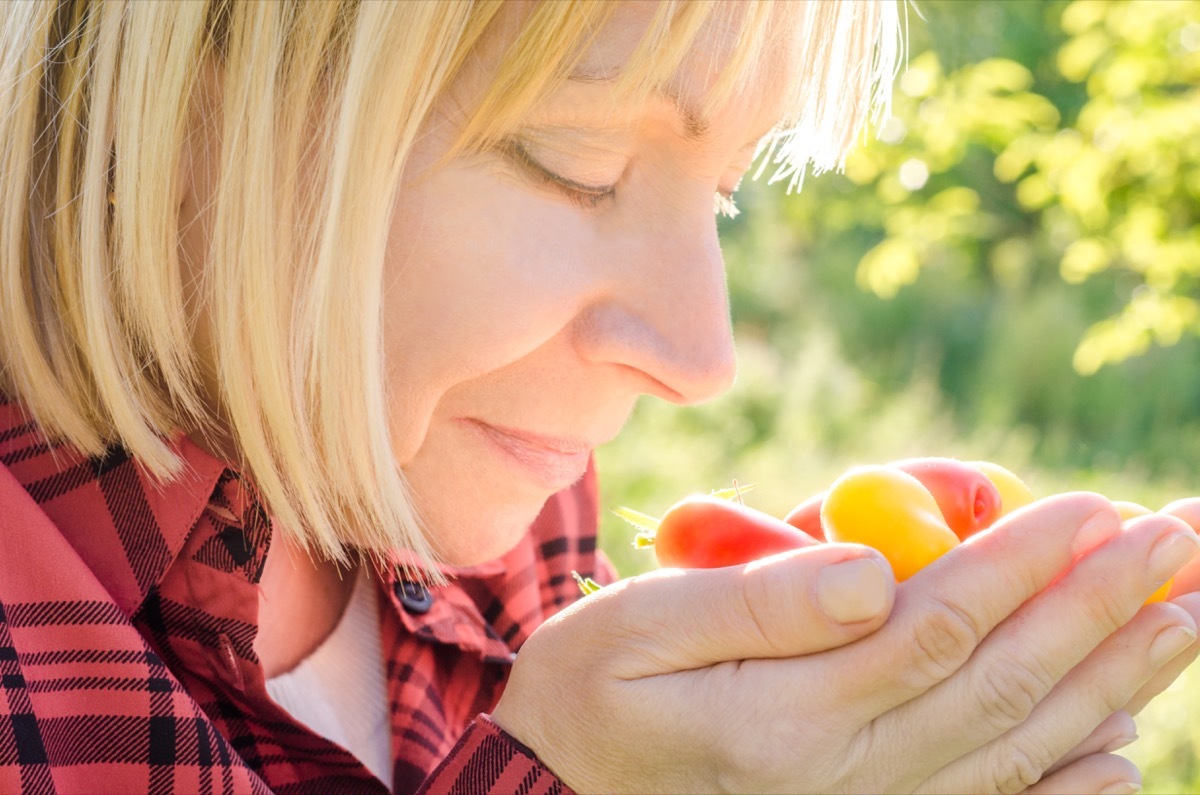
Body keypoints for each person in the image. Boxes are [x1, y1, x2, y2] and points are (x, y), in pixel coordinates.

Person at [1, 1, 1198, 793]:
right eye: (579, 169)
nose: (700, 356)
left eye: (724, 195)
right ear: (200, 88)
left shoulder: (501, 481)